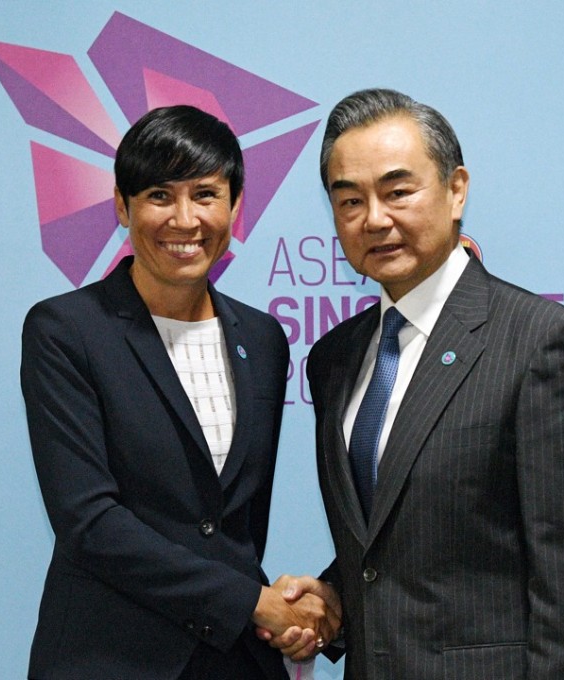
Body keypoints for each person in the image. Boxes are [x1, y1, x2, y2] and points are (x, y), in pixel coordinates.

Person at [266, 89, 564, 679]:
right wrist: (333, 600)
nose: (374, 218)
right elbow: (402, 544)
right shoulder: (335, 357)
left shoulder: (541, 342)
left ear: (456, 189)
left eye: (398, 191)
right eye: (350, 200)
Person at [20, 104, 338, 680]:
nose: (185, 219)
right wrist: (249, 602)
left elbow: (238, 526)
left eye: (206, 195)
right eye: (159, 195)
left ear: (236, 209)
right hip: (108, 657)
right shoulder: (66, 330)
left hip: (237, 659)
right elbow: (88, 522)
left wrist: (277, 615)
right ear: (123, 205)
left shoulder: (263, 340)